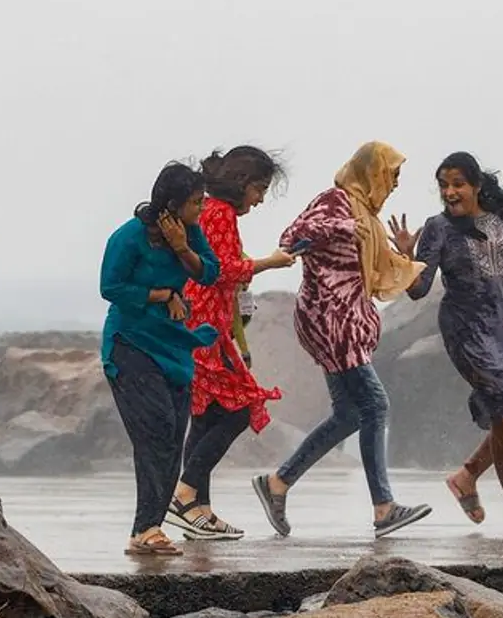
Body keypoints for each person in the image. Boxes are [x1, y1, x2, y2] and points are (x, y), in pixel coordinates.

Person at [251, 141, 433, 539]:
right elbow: (292, 236)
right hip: (330, 319)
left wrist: (403, 252)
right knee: (376, 405)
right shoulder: (337, 201)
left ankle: (277, 484)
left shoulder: (366, 214)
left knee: (350, 414)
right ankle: (384, 508)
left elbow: (389, 273)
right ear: (371, 171)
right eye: (393, 175)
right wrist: (344, 226)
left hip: (346, 320)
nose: (395, 184)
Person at [390, 151, 503, 537]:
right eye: (443, 185)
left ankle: (466, 476)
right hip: (466, 327)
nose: (449, 192)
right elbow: (419, 290)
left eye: (457, 184)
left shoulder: (500, 220)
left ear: (476, 185)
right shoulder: (437, 228)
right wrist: (405, 258)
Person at [168, 147, 297, 541]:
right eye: (259, 189)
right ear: (242, 183)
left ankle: (199, 510)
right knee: (240, 409)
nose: (259, 199)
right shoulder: (219, 212)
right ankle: (184, 494)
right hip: (205, 325)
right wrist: (269, 263)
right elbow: (221, 271)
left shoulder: (209, 209)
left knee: (206, 416)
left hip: (203, 324)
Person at [100, 162, 221, 556]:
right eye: (194, 202)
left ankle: (149, 527)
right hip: (130, 343)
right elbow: (111, 286)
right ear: (171, 203)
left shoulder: (191, 234)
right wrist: (163, 295)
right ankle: (145, 527)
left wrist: (183, 247)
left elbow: (209, 273)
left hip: (172, 345)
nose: (201, 208)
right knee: (156, 428)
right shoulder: (130, 236)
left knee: (172, 436)